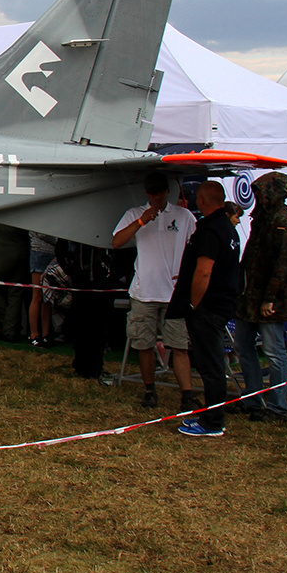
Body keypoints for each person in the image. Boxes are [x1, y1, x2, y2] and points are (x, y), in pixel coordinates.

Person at [112, 172, 197, 409]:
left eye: (161, 191)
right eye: (153, 192)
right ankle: (150, 390)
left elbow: (196, 247)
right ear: (147, 193)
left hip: (174, 294)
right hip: (144, 292)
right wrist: (141, 221)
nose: (157, 196)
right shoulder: (134, 213)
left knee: (179, 345)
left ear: (167, 191)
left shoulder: (184, 215)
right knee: (144, 345)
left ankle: (187, 394)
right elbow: (117, 242)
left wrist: (188, 274)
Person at [233, 171, 287, 423]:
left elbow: (284, 264)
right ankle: (253, 399)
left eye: (261, 192)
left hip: (270, 298)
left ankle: (278, 407)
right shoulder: (262, 218)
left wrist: (270, 298)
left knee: (274, 352)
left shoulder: (284, 221)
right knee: (244, 346)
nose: (257, 197)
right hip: (251, 295)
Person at [173, 181, 243, 438]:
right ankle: (209, 415)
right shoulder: (227, 227)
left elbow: (204, 271)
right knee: (209, 363)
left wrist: (194, 303)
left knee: (211, 365)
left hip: (209, 307)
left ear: (202, 200)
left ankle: (213, 422)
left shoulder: (211, 230)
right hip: (219, 303)